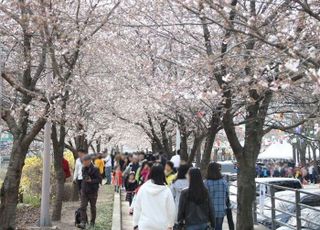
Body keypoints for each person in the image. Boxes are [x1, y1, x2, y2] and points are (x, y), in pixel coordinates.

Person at [133, 164, 175, 230]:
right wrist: (170, 224)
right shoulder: (167, 191)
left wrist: (135, 223)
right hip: (162, 225)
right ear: (162, 173)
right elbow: (171, 209)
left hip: (145, 225)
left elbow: (137, 207)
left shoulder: (143, 188)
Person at [78, 155, 101, 229]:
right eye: (83, 162)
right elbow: (84, 176)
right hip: (84, 190)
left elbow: (99, 180)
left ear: (89, 161)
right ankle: (83, 222)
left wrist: (91, 181)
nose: (83, 163)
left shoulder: (96, 169)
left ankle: (92, 222)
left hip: (93, 191)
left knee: (92, 207)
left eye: (84, 162)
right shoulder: (83, 168)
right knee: (82, 207)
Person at [205, 162, 228, 230]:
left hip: (209, 211)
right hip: (221, 209)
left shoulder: (206, 183)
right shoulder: (224, 182)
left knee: (209, 228)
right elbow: (226, 196)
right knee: (219, 227)